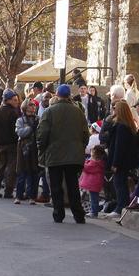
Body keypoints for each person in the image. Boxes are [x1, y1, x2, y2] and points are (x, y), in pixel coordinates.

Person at [37, 84, 90, 224]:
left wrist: (42, 148)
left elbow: (42, 134)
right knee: (73, 185)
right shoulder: (78, 112)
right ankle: (78, 214)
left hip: (54, 154)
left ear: (57, 95)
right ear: (69, 96)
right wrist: (80, 146)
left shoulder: (49, 112)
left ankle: (58, 213)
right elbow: (86, 134)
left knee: (56, 186)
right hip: (74, 155)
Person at [105, 99, 139, 217]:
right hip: (127, 161)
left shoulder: (121, 127)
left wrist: (115, 163)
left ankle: (120, 208)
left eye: (115, 108)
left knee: (119, 184)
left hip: (121, 162)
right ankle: (121, 207)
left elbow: (119, 147)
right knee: (121, 184)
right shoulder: (129, 125)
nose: (113, 110)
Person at [0, 89, 21, 198]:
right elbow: (16, 130)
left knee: (0, 167)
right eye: (14, 100)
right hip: (12, 144)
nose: (16, 102)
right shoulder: (14, 113)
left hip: (0, 144)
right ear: (8, 100)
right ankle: (8, 191)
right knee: (11, 168)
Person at [14, 99, 39, 204]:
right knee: (22, 172)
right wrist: (30, 129)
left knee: (34, 173)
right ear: (25, 107)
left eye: (34, 105)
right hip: (23, 148)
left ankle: (32, 196)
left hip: (35, 148)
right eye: (30, 105)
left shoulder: (39, 119)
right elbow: (20, 132)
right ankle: (18, 196)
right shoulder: (20, 120)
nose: (33, 107)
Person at [79, 146, 107, 218]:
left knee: (93, 198)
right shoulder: (99, 162)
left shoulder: (94, 163)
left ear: (95, 153)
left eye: (92, 151)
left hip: (93, 183)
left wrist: (83, 161)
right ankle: (93, 211)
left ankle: (94, 212)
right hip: (95, 183)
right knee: (93, 198)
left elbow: (86, 168)